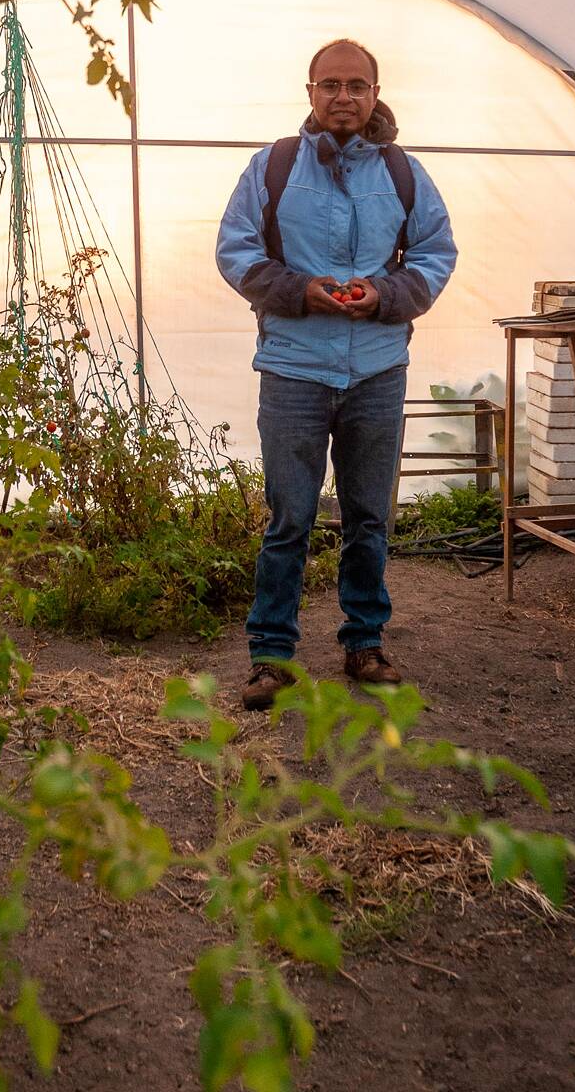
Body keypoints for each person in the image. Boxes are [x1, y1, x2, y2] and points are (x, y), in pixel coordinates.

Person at [216, 39, 457, 710]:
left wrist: (386, 295)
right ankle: (269, 656)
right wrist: (298, 290)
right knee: (288, 518)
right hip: (292, 367)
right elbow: (235, 250)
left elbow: (436, 252)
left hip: (376, 369)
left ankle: (364, 641)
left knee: (368, 517)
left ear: (375, 93)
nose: (342, 96)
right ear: (310, 93)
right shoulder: (273, 167)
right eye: (329, 85)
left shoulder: (403, 173)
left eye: (356, 85)